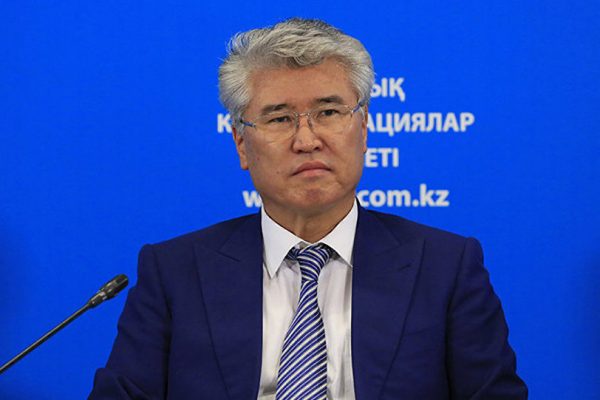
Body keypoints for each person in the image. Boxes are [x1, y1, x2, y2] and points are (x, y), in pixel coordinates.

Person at [89, 18, 527, 399]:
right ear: (241, 144)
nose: (307, 140)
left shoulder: (446, 267)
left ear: (364, 129)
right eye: (279, 118)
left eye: (329, 112)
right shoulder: (175, 273)